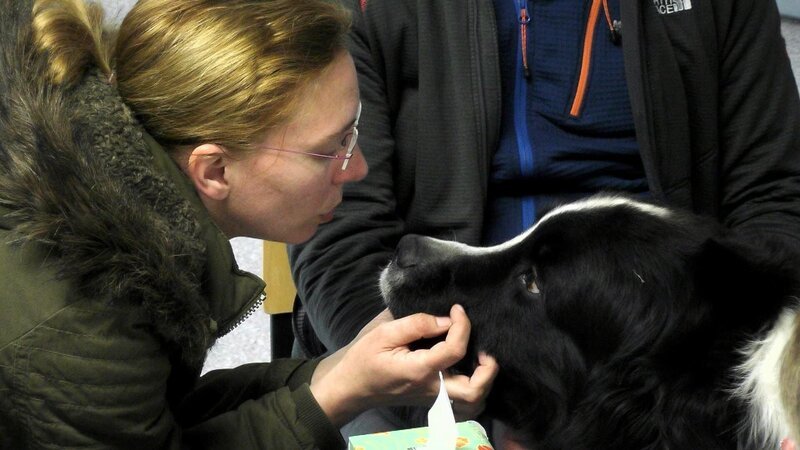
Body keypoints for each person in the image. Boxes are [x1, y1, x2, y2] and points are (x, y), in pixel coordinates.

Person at [288, 0, 800, 440]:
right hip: (420, 341)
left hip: (662, 369)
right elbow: (338, 233)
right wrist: (425, 387)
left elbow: (773, 202)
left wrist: (705, 398)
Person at [0, 0, 498, 448]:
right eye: (334, 146)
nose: (358, 168)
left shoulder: (123, 211)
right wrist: (333, 394)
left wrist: (340, 371)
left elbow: (164, 415)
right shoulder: (81, 316)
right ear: (214, 171)